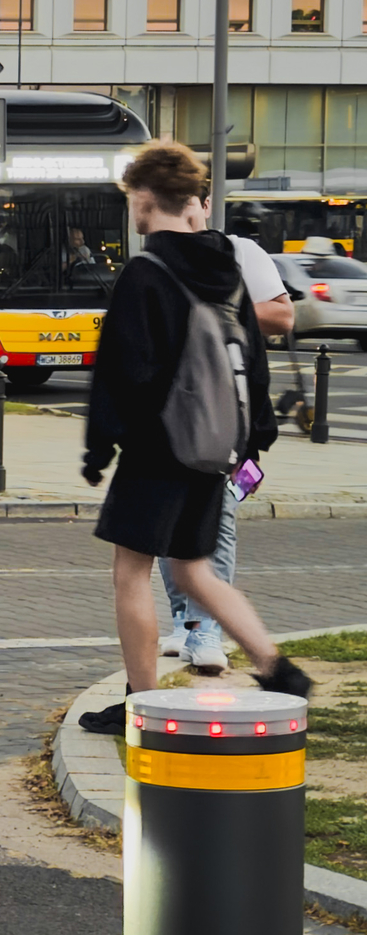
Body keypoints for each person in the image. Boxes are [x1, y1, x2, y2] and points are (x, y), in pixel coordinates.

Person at [76, 144, 309, 734]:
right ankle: (275, 665)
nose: (132, 212)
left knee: (132, 573)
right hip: (216, 449)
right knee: (193, 570)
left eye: (133, 201)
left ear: (147, 201)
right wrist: (254, 441)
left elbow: (122, 369)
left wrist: (99, 448)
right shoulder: (229, 271)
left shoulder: (146, 272)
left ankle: (141, 705)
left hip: (158, 449)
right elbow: (252, 357)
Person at [151, 200, 298, 674]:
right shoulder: (158, 257)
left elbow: (282, 316)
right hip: (175, 411)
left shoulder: (240, 252)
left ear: (206, 203)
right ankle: (187, 624)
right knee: (169, 529)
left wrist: (212, 311)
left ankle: (209, 630)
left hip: (228, 415)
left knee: (220, 520)